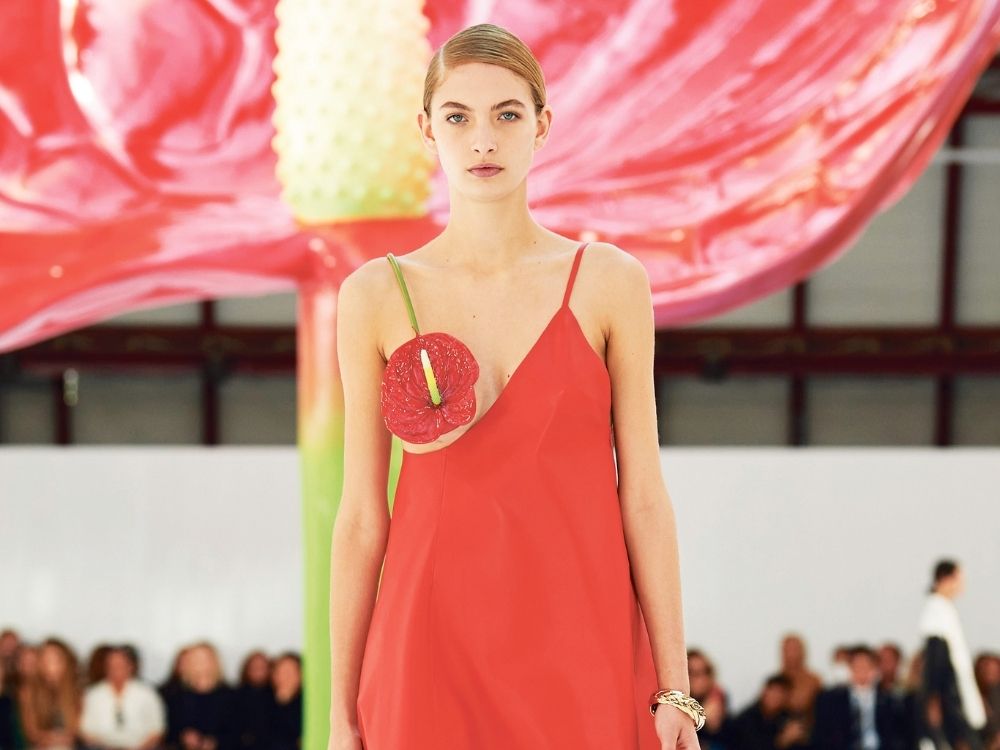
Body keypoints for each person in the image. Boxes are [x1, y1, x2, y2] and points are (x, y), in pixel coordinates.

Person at [329, 21, 698, 750]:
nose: (483, 140)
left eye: (507, 114)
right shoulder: (374, 295)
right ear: (427, 130)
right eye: (458, 117)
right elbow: (362, 516)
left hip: (579, 641)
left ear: (542, 126)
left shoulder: (609, 282)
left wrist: (675, 687)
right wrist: (341, 715)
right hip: (426, 648)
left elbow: (645, 493)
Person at [918, 559, 986, 750]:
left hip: (954, 695)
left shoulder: (945, 609)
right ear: (946, 579)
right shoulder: (936, 611)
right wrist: (934, 697)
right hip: (949, 697)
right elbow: (936, 659)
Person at [812, 644, 905, 750]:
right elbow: (821, 738)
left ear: (876, 670)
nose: (862, 672)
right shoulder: (830, 700)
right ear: (849, 669)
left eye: (866, 667)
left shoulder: (890, 702)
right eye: (857, 667)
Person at [79, 645, 165, 750]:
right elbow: (86, 731)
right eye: (112, 665)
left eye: (121, 664)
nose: (116, 669)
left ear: (131, 666)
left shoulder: (147, 694)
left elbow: (156, 730)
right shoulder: (93, 695)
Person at [16, 638, 82, 750]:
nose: (50, 664)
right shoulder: (28, 691)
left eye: (55, 659)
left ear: (65, 661)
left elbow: (75, 730)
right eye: (45, 658)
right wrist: (54, 739)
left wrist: (59, 739)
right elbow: (32, 733)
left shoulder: (75, 691)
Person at [731, 674, 809, 750]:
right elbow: (753, 746)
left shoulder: (787, 717)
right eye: (773, 691)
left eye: (781, 694)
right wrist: (783, 741)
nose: (775, 697)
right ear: (764, 692)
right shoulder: (746, 719)